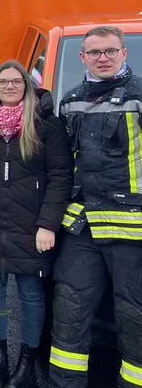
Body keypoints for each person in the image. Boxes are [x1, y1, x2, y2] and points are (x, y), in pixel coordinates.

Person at [0, 60, 73, 388]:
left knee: (31, 292)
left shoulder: (47, 124)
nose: (9, 87)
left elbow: (60, 177)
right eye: (2, 82)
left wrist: (49, 224)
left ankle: (26, 363)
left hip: (31, 224)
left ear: (27, 85)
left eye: (16, 82)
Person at [49, 26, 142, 388]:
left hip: (132, 228)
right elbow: (63, 164)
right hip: (83, 227)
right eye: (94, 52)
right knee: (69, 315)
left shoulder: (139, 94)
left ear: (123, 53)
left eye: (109, 51)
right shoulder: (70, 98)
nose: (102, 58)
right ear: (82, 57)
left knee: (134, 318)